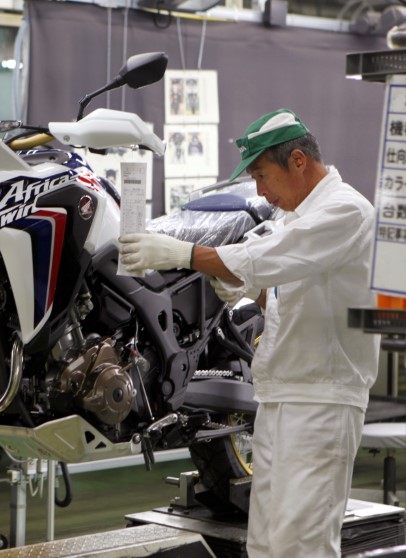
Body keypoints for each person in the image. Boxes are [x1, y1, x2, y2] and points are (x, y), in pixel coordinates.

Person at [119, 108, 380, 558]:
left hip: (322, 401)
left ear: (297, 160)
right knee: (266, 540)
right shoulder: (291, 219)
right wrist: (234, 279)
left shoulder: (346, 211)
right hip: (279, 398)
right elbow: (274, 286)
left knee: (305, 542)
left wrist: (186, 253)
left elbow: (268, 257)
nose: (260, 191)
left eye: (262, 175)